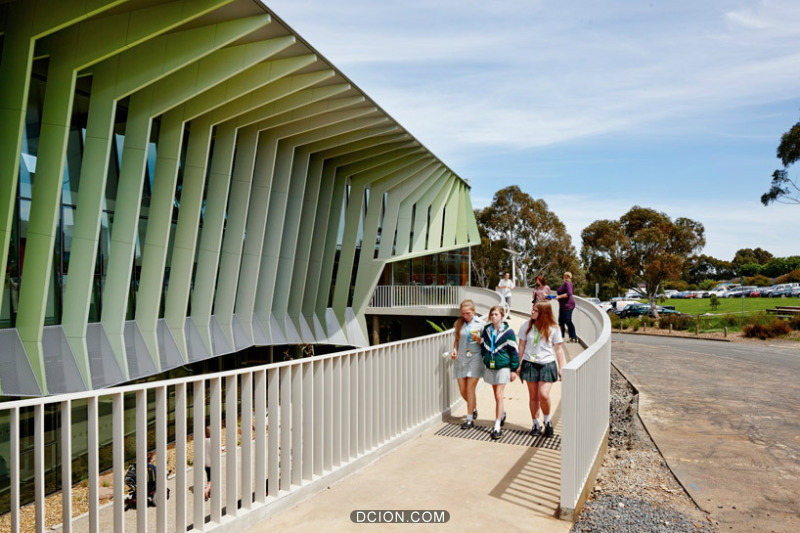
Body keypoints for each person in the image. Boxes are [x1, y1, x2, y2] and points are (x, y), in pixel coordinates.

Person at [517, 301, 566, 437]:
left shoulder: (554, 328)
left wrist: (561, 368)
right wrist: (517, 364)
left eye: (535, 310)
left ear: (544, 313)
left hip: (547, 364)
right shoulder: (526, 326)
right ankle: (535, 424)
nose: (532, 312)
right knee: (533, 396)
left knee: (543, 395)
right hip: (530, 363)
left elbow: (559, 349)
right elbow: (521, 346)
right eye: (532, 309)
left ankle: (547, 421)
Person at [480, 305, 519, 440]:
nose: (493, 317)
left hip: (503, 366)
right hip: (491, 366)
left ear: (502, 316)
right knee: (496, 395)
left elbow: (514, 352)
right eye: (492, 314)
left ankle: (497, 425)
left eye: (496, 314)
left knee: (499, 394)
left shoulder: (509, 332)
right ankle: (502, 413)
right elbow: (482, 345)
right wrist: (484, 357)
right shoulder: (486, 330)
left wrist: (514, 369)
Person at [450, 299, 484, 429]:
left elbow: (486, 343)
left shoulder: (481, 324)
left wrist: (477, 338)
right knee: (462, 391)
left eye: (468, 313)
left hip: (475, 358)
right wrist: (454, 350)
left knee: (470, 389)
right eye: (463, 313)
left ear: (474, 311)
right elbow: (456, 340)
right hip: (461, 358)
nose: (465, 316)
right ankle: (473, 407)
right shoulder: (458, 323)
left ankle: (469, 419)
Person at [555, 271, 577, 343]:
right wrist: (558, 297)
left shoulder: (568, 284)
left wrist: (559, 296)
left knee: (568, 321)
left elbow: (569, 294)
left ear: (568, 277)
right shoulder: (565, 284)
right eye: (565, 276)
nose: (564, 277)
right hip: (563, 305)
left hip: (568, 305)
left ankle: (573, 337)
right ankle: (561, 336)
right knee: (561, 321)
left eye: (566, 276)